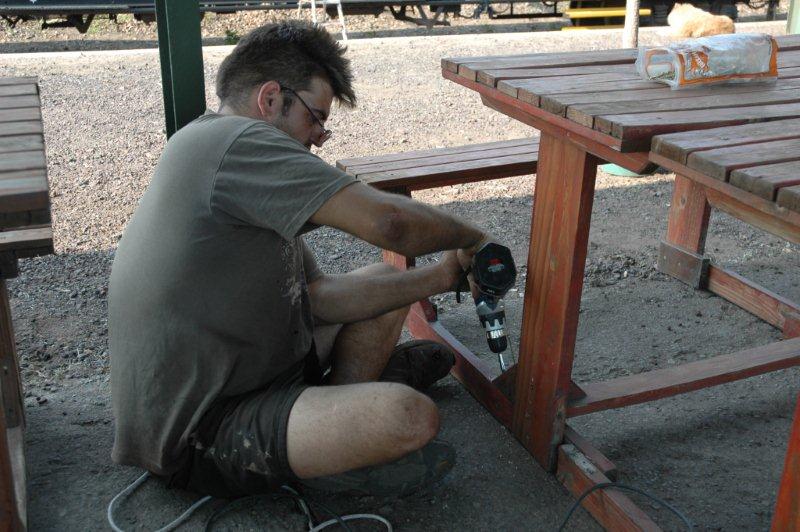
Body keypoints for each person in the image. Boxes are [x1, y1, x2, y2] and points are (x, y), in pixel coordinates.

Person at [109, 20, 494, 499]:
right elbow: (390, 224)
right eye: (315, 118)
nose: (319, 138)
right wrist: (473, 236)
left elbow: (317, 299)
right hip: (203, 432)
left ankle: (338, 414)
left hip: (255, 368)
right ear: (271, 99)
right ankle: (340, 438)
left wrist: (441, 276)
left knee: (382, 281)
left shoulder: (214, 144)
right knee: (407, 417)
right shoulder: (238, 143)